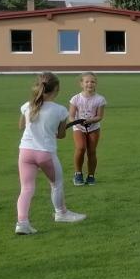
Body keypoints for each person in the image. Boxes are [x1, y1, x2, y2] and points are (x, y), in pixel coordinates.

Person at [15, 72, 86, 234]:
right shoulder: (60, 110)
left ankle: (22, 223)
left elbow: (21, 126)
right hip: (45, 153)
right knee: (56, 184)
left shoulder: (27, 106)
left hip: (25, 152)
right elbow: (60, 135)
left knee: (26, 188)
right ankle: (61, 213)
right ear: (56, 89)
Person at [68, 71, 106, 185]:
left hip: (94, 128)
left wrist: (90, 121)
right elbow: (71, 116)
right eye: (87, 82)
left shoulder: (100, 99)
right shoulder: (75, 99)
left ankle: (91, 175)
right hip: (78, 128)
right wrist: (76, 122)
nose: (90, 84)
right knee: (80, 148)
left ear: (96, 84)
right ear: (81, 84)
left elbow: (99, 116)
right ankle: (78, 174)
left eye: (92, 82)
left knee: (92, 151)